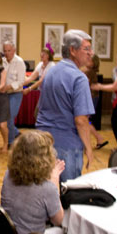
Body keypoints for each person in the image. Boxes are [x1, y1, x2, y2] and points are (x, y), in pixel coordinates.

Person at [0, 130, 65, 234]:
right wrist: (55, 179)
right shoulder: (48, 188)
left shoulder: (8, 175)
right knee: (65, 230)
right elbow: (59, 220)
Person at [36, 29, 95, 182]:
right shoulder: (79, 78)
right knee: (68, 193)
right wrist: (89, 148)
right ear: (73, 51)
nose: (91, 53)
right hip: (66, 145)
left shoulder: (50, 72)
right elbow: (81, 121)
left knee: (48, 190)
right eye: (86, 49)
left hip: (43, 141)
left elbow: (39, 109)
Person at [82, 55, 108, 149]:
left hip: (91, 98)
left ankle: (96, 139)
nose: (86, 60)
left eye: (89, 60)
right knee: (86, 121)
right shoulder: (87, 70)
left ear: (94, 63)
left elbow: (85, 85)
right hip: (90, 97)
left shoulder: (90, 72)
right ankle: (98, 138)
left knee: (85, 120)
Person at [2, 41, 26, 145]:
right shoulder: (2, 61)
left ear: (14, 50)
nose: (7, 53)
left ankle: (11, 142)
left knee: (9, 117)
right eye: (5, 51)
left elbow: (21, 82)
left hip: (15, 94)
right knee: (6, 118)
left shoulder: (19, 62)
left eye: (9, 50)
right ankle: (16, 133)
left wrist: (8, 87)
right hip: (3, 94)